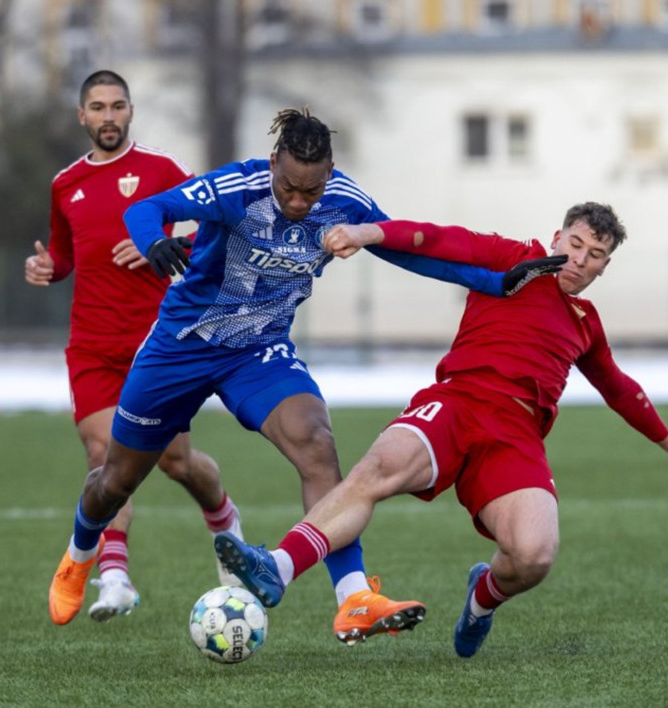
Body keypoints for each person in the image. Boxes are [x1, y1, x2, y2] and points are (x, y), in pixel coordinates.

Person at [47, 107, 565, 640]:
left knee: (316, 442)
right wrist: (153, 240)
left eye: (311, 192)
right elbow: (149, 207)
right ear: (273, 163)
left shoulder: (345, 201)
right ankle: (79, 554)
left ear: (329, 174)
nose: (299, 202)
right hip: (181, 347)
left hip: (258, 350)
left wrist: (495, 281)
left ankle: (354, 597)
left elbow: (404, 249)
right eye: (289, 188)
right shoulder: (237, 187)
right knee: (116, 480)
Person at [215, 202, 668, 657]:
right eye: (575, 244)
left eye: (595, 255)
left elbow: (617, 387)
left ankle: (481, 600)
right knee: (380, 468)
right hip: (458, 401)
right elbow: (440, 239)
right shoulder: (512, 258)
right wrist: (368, 232)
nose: (580, 259)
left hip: (516, 433)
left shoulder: (585, 322)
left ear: (605, 265)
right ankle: (278, 566)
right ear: (557, 237)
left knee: (534, 555)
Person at [27, 70, 244, 625]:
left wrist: (165, 244)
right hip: (92, 346)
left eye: (118, 106)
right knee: (105, 456)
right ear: (82, 115)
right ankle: (116, 577)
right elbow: (66, 255)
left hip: (157, 346)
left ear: (130, 111)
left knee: (177, 462)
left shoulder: (162, 170)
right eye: (98, 107)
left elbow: (221, 227)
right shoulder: (65, 184)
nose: (109, 116)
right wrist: (48, 267)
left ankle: (225, 522)